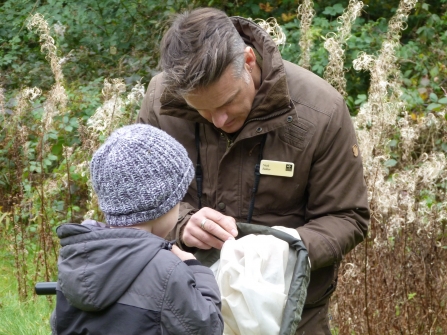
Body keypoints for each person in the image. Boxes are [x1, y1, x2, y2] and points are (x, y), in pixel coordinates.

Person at [137, 7, 370, 334]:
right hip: (182, 302)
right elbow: (142, 198)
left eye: (227, 102)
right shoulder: (162, 100)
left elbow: (347, 217)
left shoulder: (320, 112)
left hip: (290, 311)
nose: (218, 120)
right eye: (201, 110)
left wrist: (283, 248)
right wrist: (182, 223)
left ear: (248, 61)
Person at [51, 124, 224, 335]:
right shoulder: (167, 269)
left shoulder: (76, 256)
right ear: (164, 204)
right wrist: (195, 268)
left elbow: (59, 325)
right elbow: (207, 327)